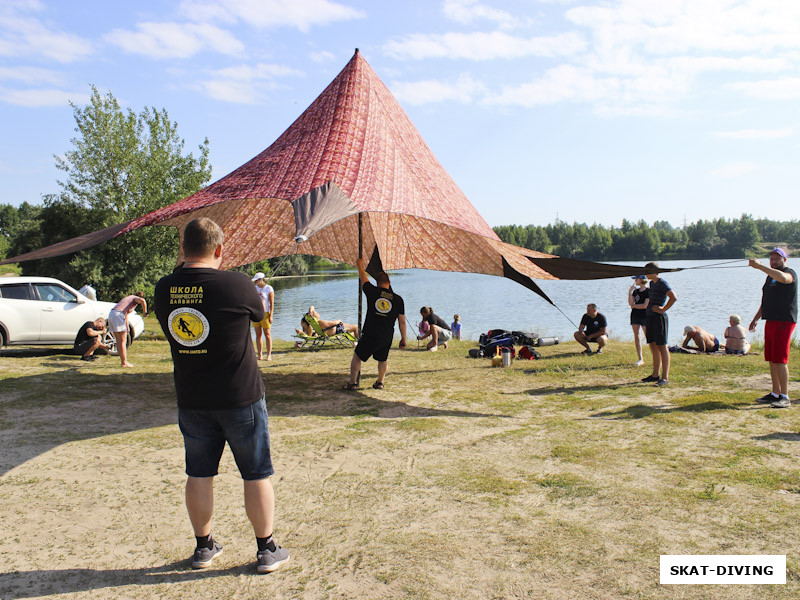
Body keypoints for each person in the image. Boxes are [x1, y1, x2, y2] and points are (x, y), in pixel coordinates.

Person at [154, 217, 289, 573]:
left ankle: (203, 547)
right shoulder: (238, 283)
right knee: (256, 473)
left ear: (183, 249)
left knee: (199, 473)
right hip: (240, 397)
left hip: (192, 398)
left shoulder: (163, 288)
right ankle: (267, 549)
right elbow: (260, 314)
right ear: (219, 250)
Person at [344, 258, 407, 390]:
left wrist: (359, 265)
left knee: (357, 356)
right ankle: (380, 382)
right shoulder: (398, 299)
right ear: (389, 283)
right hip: (386, 336)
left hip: (370, 333)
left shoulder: (372, 291)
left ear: (377, 283)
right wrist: (403, 338)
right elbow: (402, 321)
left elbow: (363, 278)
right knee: (382, 359)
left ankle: (352, 383)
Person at [749, 247, 797, 408]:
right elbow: (765, 301)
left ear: (784, 260)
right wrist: (756, 319)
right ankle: (775, 393)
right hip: (771, 320)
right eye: (772, 258)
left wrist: (760, 267)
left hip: (784, 321)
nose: (774, 261)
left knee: (780, 359)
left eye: (777, 258)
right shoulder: (770, 277)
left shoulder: (789, 272)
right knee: (771, 358)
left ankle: (785, 396)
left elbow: (785, 278)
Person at [642, 262, 677, 387]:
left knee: (662, 346)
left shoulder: (662, 283)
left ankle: (665, 377)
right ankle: (655, 374)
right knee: (652, 345)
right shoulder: (652, 283)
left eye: (647, 272)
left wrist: (663, 309)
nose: (645, 274)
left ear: (653, 271)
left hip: (659, 318)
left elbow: (673, 297)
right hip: (650, 317)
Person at [108, 291, 147, 368]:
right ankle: (124, 362)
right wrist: (144, 312)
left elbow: (126, 314)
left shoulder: (127, 299)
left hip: (112, 314)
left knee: (119, 341)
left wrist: (127, 327)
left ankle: (122, 361)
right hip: (119, 315)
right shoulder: (135, 299)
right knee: (123, 341)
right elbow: (143, 301)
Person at [251, 273, 274, 361]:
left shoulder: (269, 288)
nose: (256, 282)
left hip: (266, 313)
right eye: (255, 280)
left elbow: (271, 304)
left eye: (257, 280)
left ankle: (269, 355)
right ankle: (260, 355)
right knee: (258, 335)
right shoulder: (255, 289)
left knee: (267, 334)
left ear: (261, 279)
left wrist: (271, 316)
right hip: (256, 313)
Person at [629, 276, 649, 365]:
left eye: (636, 279)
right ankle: (640, 358)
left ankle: (656, 356)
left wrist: (634, 306)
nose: (635, 281)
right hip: (635, 315)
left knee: (648, 336)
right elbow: (631, 303)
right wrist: (630, 292)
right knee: (637, 336)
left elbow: (645, 305)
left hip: (645, 315)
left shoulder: (648, 291)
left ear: (641, 280)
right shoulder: (635, 291)